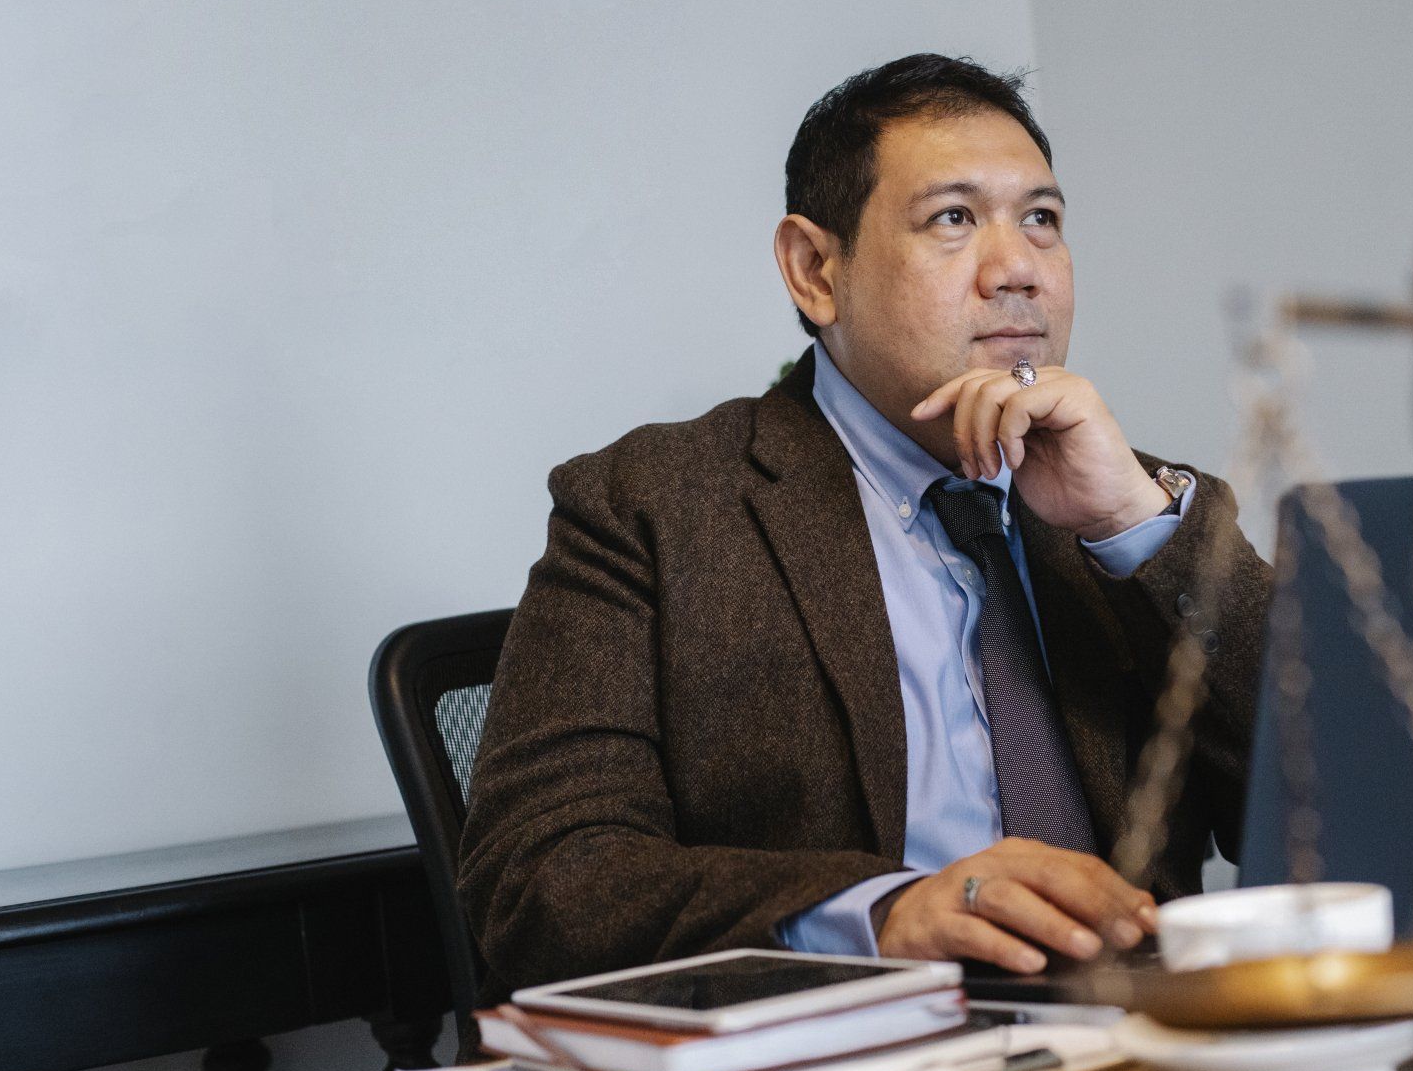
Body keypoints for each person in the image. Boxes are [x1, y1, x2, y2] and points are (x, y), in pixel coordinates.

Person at [457, 54, 1271, 1005]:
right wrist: (881, 915)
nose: (1017, 271)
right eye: (954, 219)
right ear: (815, 270)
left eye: (1041, 220)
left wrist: (1133, 528)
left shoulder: (1136, 507)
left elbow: (1355, 795)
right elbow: (541, 880)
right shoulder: (654, 508)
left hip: (1142, 1050)